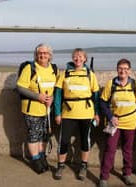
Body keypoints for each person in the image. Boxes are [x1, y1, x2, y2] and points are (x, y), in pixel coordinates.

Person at [53, 48, 100, 180]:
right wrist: (57, 113)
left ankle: (83, 166)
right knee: (63, 140)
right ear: (72, 58)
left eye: (81, 56)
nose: (78, 59)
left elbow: (95, 96)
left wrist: (96, 113)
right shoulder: (65, 73)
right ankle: (60, 165)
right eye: (75, 56)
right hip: (68, 113)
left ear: (85, 59)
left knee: (85, 140)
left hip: (86, 113)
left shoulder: (90, 74)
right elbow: (57, 95)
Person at [98, 58, 136, 187]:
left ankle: (127, 174)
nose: (123, 71)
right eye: (120, 68)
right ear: (117, 69)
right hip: (114, 122)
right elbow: (102, 102)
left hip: (131, 122)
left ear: (129, 71)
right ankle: (104, 177)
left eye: (125, 69)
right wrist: (111, 116)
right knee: (110, 149)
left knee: (128, 150)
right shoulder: (111, 84)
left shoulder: (135, 85)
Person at [16, 43, 58, 174]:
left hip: (47, 110)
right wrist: (37, 96)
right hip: (32, 108)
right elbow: (20, 87)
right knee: (34, 135)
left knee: (44, 135)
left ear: (50, 55)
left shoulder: (54, 68)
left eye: (45, 53)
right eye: (40, 53)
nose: (43, 55)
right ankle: (35, 160)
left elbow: (55, 88)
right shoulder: (30, 68)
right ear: (36, 55)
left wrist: (52, 98)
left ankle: (42, 157)